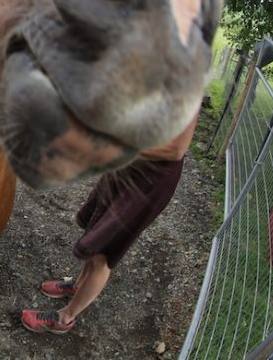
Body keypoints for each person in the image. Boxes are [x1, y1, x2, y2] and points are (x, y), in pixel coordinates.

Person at [21, 111, 200, 334]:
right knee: (97, 229)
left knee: (103, 252)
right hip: (127, 167)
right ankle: (77, 286)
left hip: (148, 181)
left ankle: (65, 318)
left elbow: (176, 149)